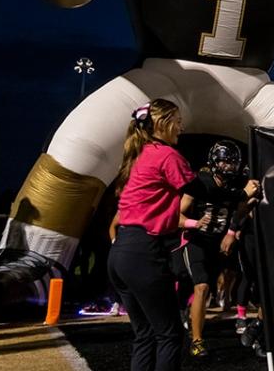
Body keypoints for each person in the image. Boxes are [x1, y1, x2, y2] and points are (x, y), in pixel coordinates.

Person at [108, 99, 201, 371]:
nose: (181, 127)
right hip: (142, 253)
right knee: (169, 334)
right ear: (162, 123)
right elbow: (201, 190)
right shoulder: (166, 155)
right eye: (178, 120)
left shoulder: (141, 154)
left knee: (145, 335)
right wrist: (242, 194)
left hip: (120, 254)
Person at [179, 140, 259, 359]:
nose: (228, 168)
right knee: (202, 287)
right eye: (224, 162)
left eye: (232, 163)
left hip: (218, 243)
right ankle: (197, 341)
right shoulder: (200, 182)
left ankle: (188, 312)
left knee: (218, 285)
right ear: (214, 162)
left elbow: (242, 208)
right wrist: (194, 223)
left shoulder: (236, 186)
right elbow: (176, 215)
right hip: (197, 241)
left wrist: (232, 232)